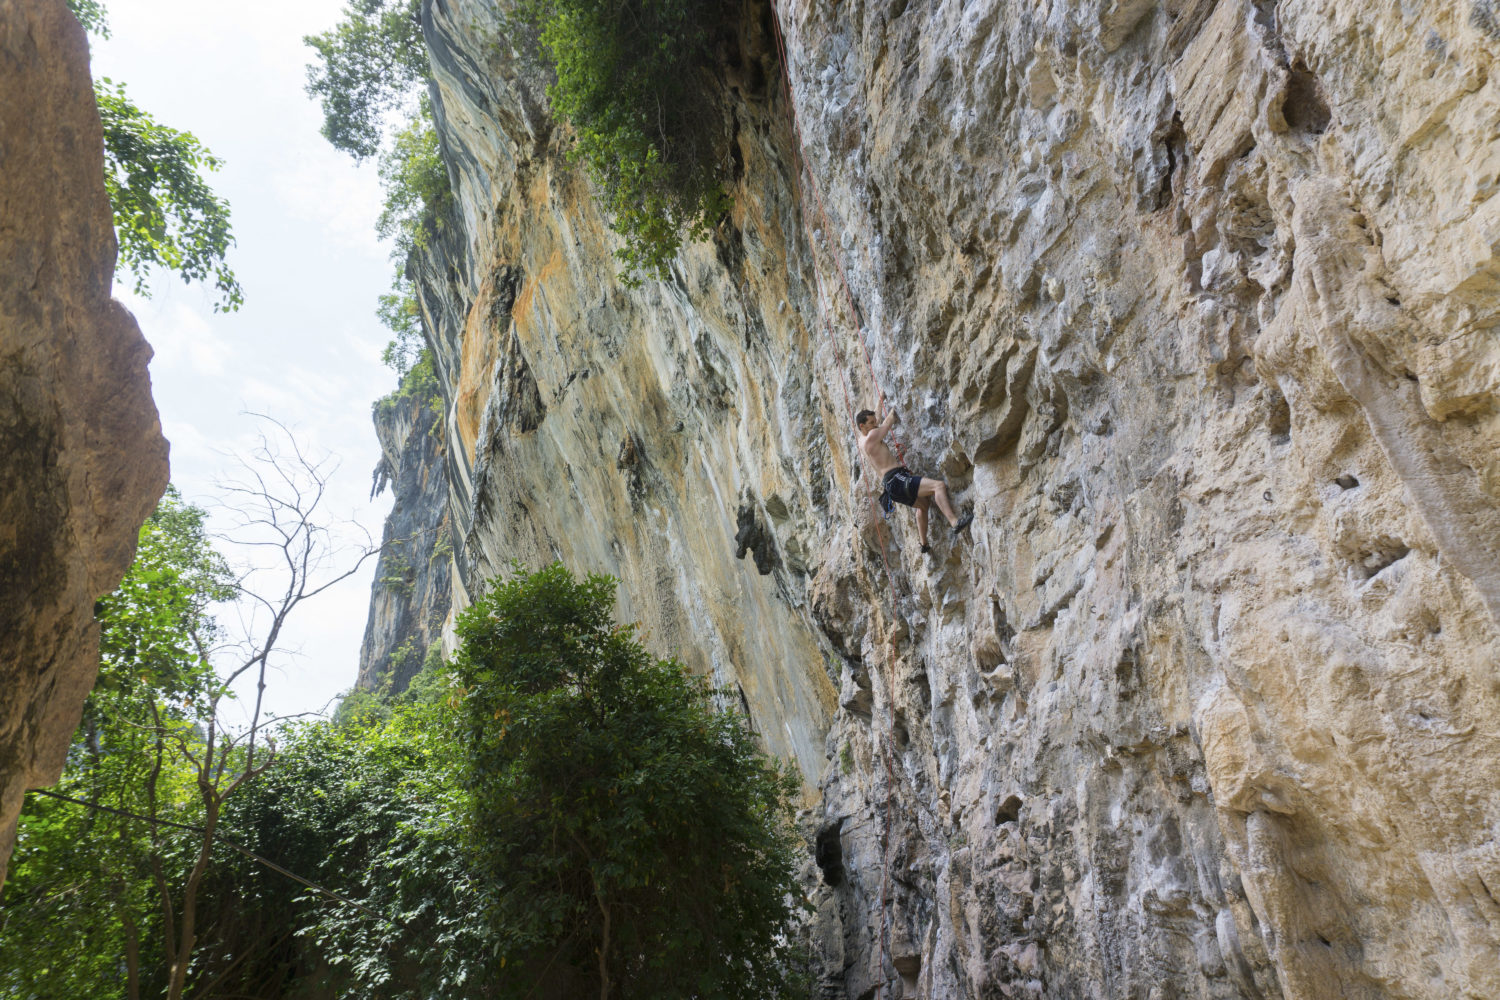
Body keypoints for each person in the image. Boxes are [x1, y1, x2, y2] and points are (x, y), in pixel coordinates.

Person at [856, 408, 972, 553]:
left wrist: (880, 402)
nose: (875, 424)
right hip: (897, 479)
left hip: (890, 487)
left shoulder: (862, 441)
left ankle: (924, 544)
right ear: (862, 426)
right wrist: (892, 411)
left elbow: (877, 421)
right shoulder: (873, 435)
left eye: (874, 422)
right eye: (871, 423)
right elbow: (888, 422)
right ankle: (955, 522)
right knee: (938, 486)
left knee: (923, 505)